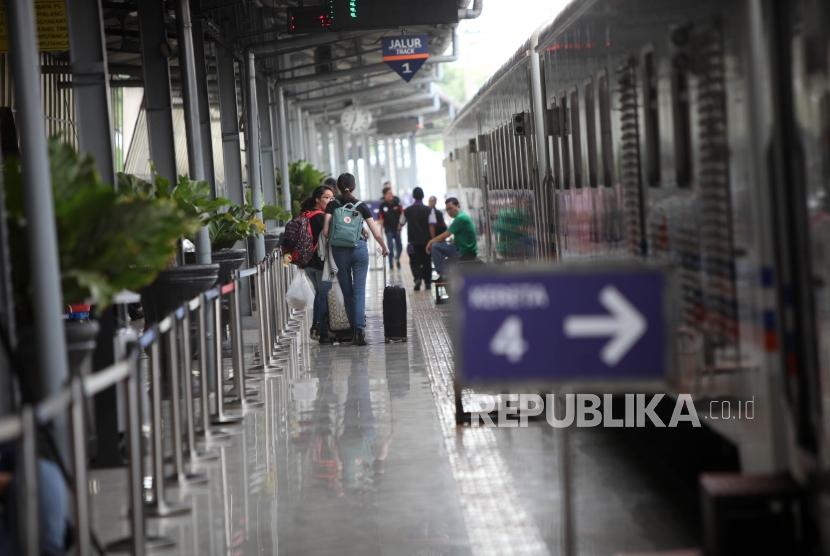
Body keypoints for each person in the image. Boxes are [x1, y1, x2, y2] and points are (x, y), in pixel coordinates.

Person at [323, 173, 388, 346]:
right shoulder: (361, 206)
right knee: (359, 291)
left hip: (339, 251)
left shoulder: (332, 205)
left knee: (347, 292)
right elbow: (375, 232)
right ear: (354, 187)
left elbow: (325, 231)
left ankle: (353, 330)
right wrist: (384, 247)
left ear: (336, 187)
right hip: (359, 249)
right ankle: (359, 331)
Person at [301, 185, 335, 344]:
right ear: (317, 199)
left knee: (320, 295)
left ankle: (324, 334)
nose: (329, 200)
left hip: (307, 263)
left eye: (331, 198)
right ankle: (317, 326)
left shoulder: (304, 215)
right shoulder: (321, 217)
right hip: (321, 262)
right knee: (323, 295)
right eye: (326, 197)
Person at [426, 197, 478, 281]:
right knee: (443, 254)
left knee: (435, 246)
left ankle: (443, 275)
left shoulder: (460, 218)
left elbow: (446, 234)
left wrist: (431, 241)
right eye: (447, 210)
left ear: (458, 206)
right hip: (465, 249)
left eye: (450, 208)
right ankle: (445, 273)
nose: (449, 212)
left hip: (464, 252)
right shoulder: (463, 216)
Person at [400, 187, 433, 291]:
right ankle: (427, 283)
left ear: (413, 197)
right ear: (423, 196)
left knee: (414, 262)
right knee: (427, 261)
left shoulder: (407, 210)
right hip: (426, 242)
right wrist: (432, 240)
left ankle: (417, 278)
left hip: (412, 242)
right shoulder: (429, 210)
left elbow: (401, 223)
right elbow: (432, 225)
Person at [379, 187, 403, 270]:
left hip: (397, 229)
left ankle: (397, 259)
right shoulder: (382, 206)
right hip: (388, 229)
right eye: (388, 193)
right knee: (390, 246)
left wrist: (400, 225)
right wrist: (381, 231)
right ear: (385, 195)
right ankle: (391, 263)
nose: (391, 195)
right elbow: (381, 218)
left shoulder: (397, 203)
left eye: (391, 193)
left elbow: (402, 215)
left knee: (399, 246)